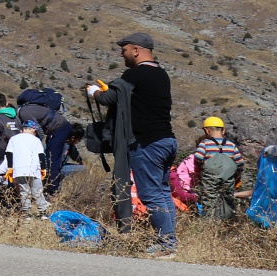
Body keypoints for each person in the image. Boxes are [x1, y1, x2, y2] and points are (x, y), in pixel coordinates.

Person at [88, 32, 177, 256]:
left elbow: (109, 99)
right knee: (163, 193)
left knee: (150, 195)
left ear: (136, 50)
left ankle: (167, 245)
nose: (122, 54)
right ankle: (169, 239)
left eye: (124, 49)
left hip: (147, 143)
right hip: (167, 140)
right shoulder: (161, 74)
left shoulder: (135, 74)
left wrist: (94, 93)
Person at [193, 116, 245, 222]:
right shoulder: (232, 145)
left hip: (210, 179)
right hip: (228, 179)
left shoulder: (205, 144)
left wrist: (205, 165)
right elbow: (240, 163)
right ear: (223, 130)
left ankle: (210, 224)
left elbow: (197, 157)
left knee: (209, 201)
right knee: (227, 199)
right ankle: (226, 223)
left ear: (206, 131)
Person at [5, 125, 50, 215]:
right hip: (34, 169)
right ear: (33, 130)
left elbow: (9, 153)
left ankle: (27, 213)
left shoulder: (13, 139)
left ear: (22, 130)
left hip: (19, 169)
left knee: (24, 192)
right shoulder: (36, 140)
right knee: (37, 191)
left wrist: (10, 167)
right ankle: (43, 212)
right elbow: (41, 155)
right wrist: (43, 169)